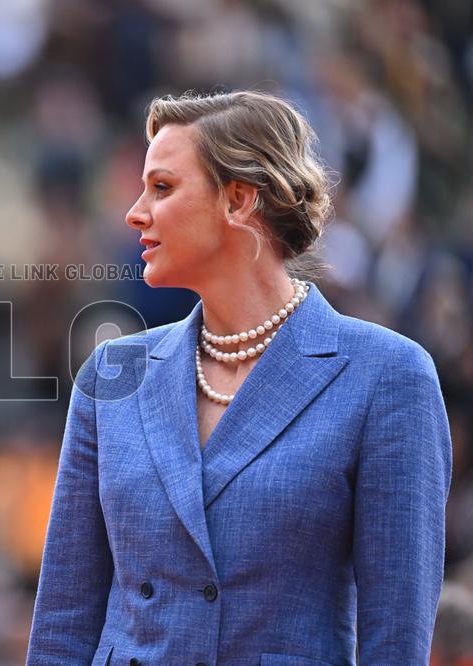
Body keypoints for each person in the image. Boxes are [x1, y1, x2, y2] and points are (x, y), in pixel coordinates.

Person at [25, 90, 453, 665]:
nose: (135, 212)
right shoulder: (111, 373)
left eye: (162, 187)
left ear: (238, 200)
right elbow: (62, 624)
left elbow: (396, 641)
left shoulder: (388, 376)